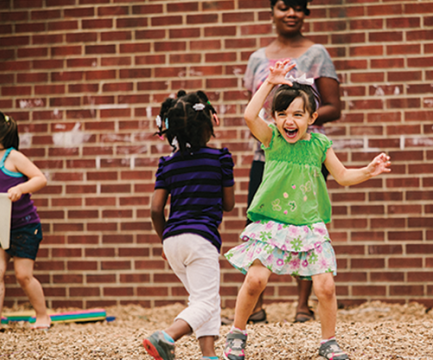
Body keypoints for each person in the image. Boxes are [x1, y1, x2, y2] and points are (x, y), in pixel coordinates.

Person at [222, 60, 390, 360]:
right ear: (273, 118)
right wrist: (271, 82)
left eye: (298, 114)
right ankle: (237, 333)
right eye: (282, 114)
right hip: (272, 222)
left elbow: (342, 176)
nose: (289, 120)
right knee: (255, 281)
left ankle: (329, 342)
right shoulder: (271, 139)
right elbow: (249, 115)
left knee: (325, 287)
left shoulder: (320, 145)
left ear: (312, 117)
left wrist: (368, 170)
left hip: (309, 225)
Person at [243, 0, 342, 325]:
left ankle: (303, 305)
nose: (291, 13)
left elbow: (333, 106)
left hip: (306, 159)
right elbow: (253, 107)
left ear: (306, 13)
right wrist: (278, 123)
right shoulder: (258, 58)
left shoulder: (317, 54)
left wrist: (301, 121)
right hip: (267, 156)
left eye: (298, 7)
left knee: (305, 224)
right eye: (284, 6)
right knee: (260, 223)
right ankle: (255, 304)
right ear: (272, 11)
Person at [143, 91, 235, 360]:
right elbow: (228, 205)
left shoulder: (167, 164)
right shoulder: (219, 159)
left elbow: (155, 209)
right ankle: (166, 336)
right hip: (201, 239)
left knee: (203, 298)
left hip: (172, 241)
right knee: (205, 301)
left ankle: (209, 354)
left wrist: (164, 241)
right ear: (208, 126)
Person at [0, 112, 51, 330]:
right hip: (0, 226)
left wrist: (20, 188)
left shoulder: (12, 157)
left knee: (23, 275)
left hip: (24, 226)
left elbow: (40, 178)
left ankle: (42, 316)